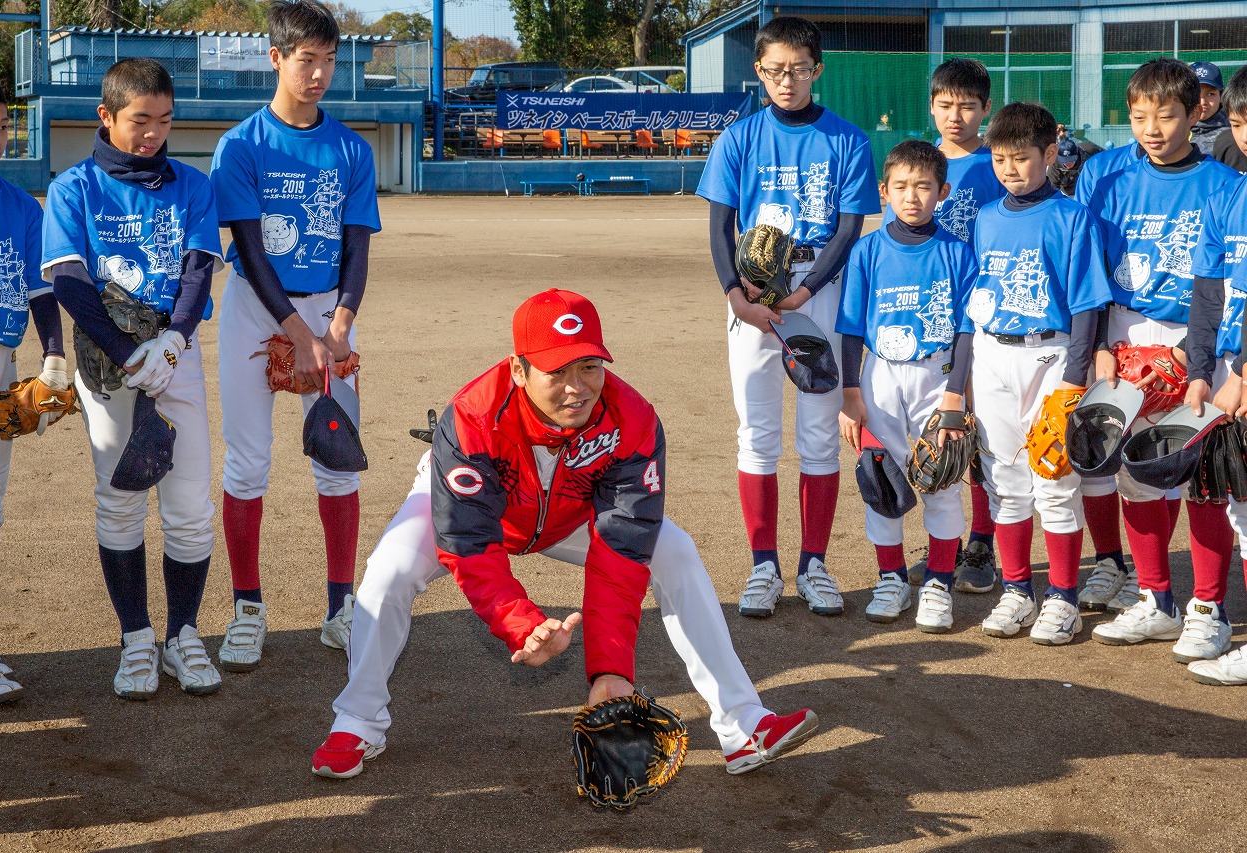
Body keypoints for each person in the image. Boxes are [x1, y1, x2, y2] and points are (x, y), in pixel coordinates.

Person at [312, 289, 820, 779]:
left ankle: (743, 724)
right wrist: (520, 622)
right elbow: (469, 544)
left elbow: (623, 546)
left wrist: (610, 671)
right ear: (518, 369)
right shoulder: (472, 417)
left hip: (571, 513)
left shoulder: (631, 419)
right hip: (476, 515)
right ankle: (357, 721)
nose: (577, 386)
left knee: (675, 551)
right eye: (557, 371)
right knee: (389, 571)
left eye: (589, 366)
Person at [43, 58, 224, 698]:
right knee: (118, 501)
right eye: (139, 121)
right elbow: (68, 279)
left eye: (165, 121)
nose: (153, 134)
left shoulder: (191, 184)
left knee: (190, 509)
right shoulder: (74, 188)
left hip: (175, 359)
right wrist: (127, 352)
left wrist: (174, 340)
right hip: (109, 369)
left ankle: (183, 635)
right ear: (107, 116)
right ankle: (136, 638)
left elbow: (199, 266)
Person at [209, 0, 380, 671]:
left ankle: (340, 607)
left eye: (329, 60)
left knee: (337, 462)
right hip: (257, 311)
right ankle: (248, 608)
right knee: (249, 460)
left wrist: (338, 323)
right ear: (275, 58)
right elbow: (249, 250)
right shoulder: (242, 144)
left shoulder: (350, 148)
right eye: (306, 59)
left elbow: (358, 246)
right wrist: (296, 330)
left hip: (330, 311)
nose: (319, 74)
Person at [697, 16, 881, 619]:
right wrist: (734, 293)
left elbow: (849, 229)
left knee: (819, 436)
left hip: (816, 289)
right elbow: (721, 222)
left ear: (817, 70)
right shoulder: (739, 138)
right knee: (757, 435)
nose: (787, 79)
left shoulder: (848, 139)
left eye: (799, 69)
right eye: (775, 69)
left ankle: (815, 565)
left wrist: (803, 297)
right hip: (753, 289)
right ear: (759, 70)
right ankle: (763, 566)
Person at [1083, 59, 1239, 658]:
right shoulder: (1105, 175)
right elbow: (1089, 268)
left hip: (1196, 337)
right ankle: (1154, 598)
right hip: (1124, 333)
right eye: (1140, 115)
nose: (1151, 127)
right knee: (1137, 473)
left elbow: (1222, 281)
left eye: (1166, 114)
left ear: (1197, 111)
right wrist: (1099, 346)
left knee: (1202, 476)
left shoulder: (1225, 184)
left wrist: (1191, 358)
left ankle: (1209, 607)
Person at [966, 102, 1111, 645]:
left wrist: (1075, 379)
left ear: (1050, 154)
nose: (1009, 169)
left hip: (1050, 357)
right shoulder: (985, 218)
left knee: (1055, 479)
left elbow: (1086, 307)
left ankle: (1063, 597)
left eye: (1021, 158)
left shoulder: (1071, 217)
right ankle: (1017, 589)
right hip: (993, 353)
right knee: (1005, 480)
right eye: (1000, 159)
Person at [836, 141, 978, 632]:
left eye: (923, 186)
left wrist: (956, 393)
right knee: (880, 481)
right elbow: (851, 326)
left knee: (940, 479)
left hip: (937, 378)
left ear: (944, 191)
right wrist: (850, 393)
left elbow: (965, 331)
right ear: (884, 192)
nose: (912, 196)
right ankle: (891, 578)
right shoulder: (867, 250)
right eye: (901, 186)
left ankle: (938, 582)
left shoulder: (958, 253)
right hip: (878, 378)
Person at [0, 73, 68, 708]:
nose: (0, 137)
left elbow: (39, 290)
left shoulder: (19, 205)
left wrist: (55, 355)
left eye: (5, 125)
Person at [925, 57, 1005, 593]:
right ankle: (944, 544)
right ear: (931, 106)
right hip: (932, 318)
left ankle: (982, 544)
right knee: (941, 432)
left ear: (986, 110)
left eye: (968, 106)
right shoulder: (919, 162)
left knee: (981, 432)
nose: (956, 116)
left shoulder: (997, 164)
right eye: (946, 105)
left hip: (984, 317)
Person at [1187, 66, 1247, 686]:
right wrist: (1200, 369)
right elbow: (1209, 293)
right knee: (1241, 507)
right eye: (1237, 121)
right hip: (1228, 365)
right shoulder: (1228, 195)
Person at [1190, 61, 1228, 156]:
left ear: (1221, 96)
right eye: (1195, 94)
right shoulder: (1175, 130)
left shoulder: (1234, 135)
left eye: (1210, 94)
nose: (1202, 102)